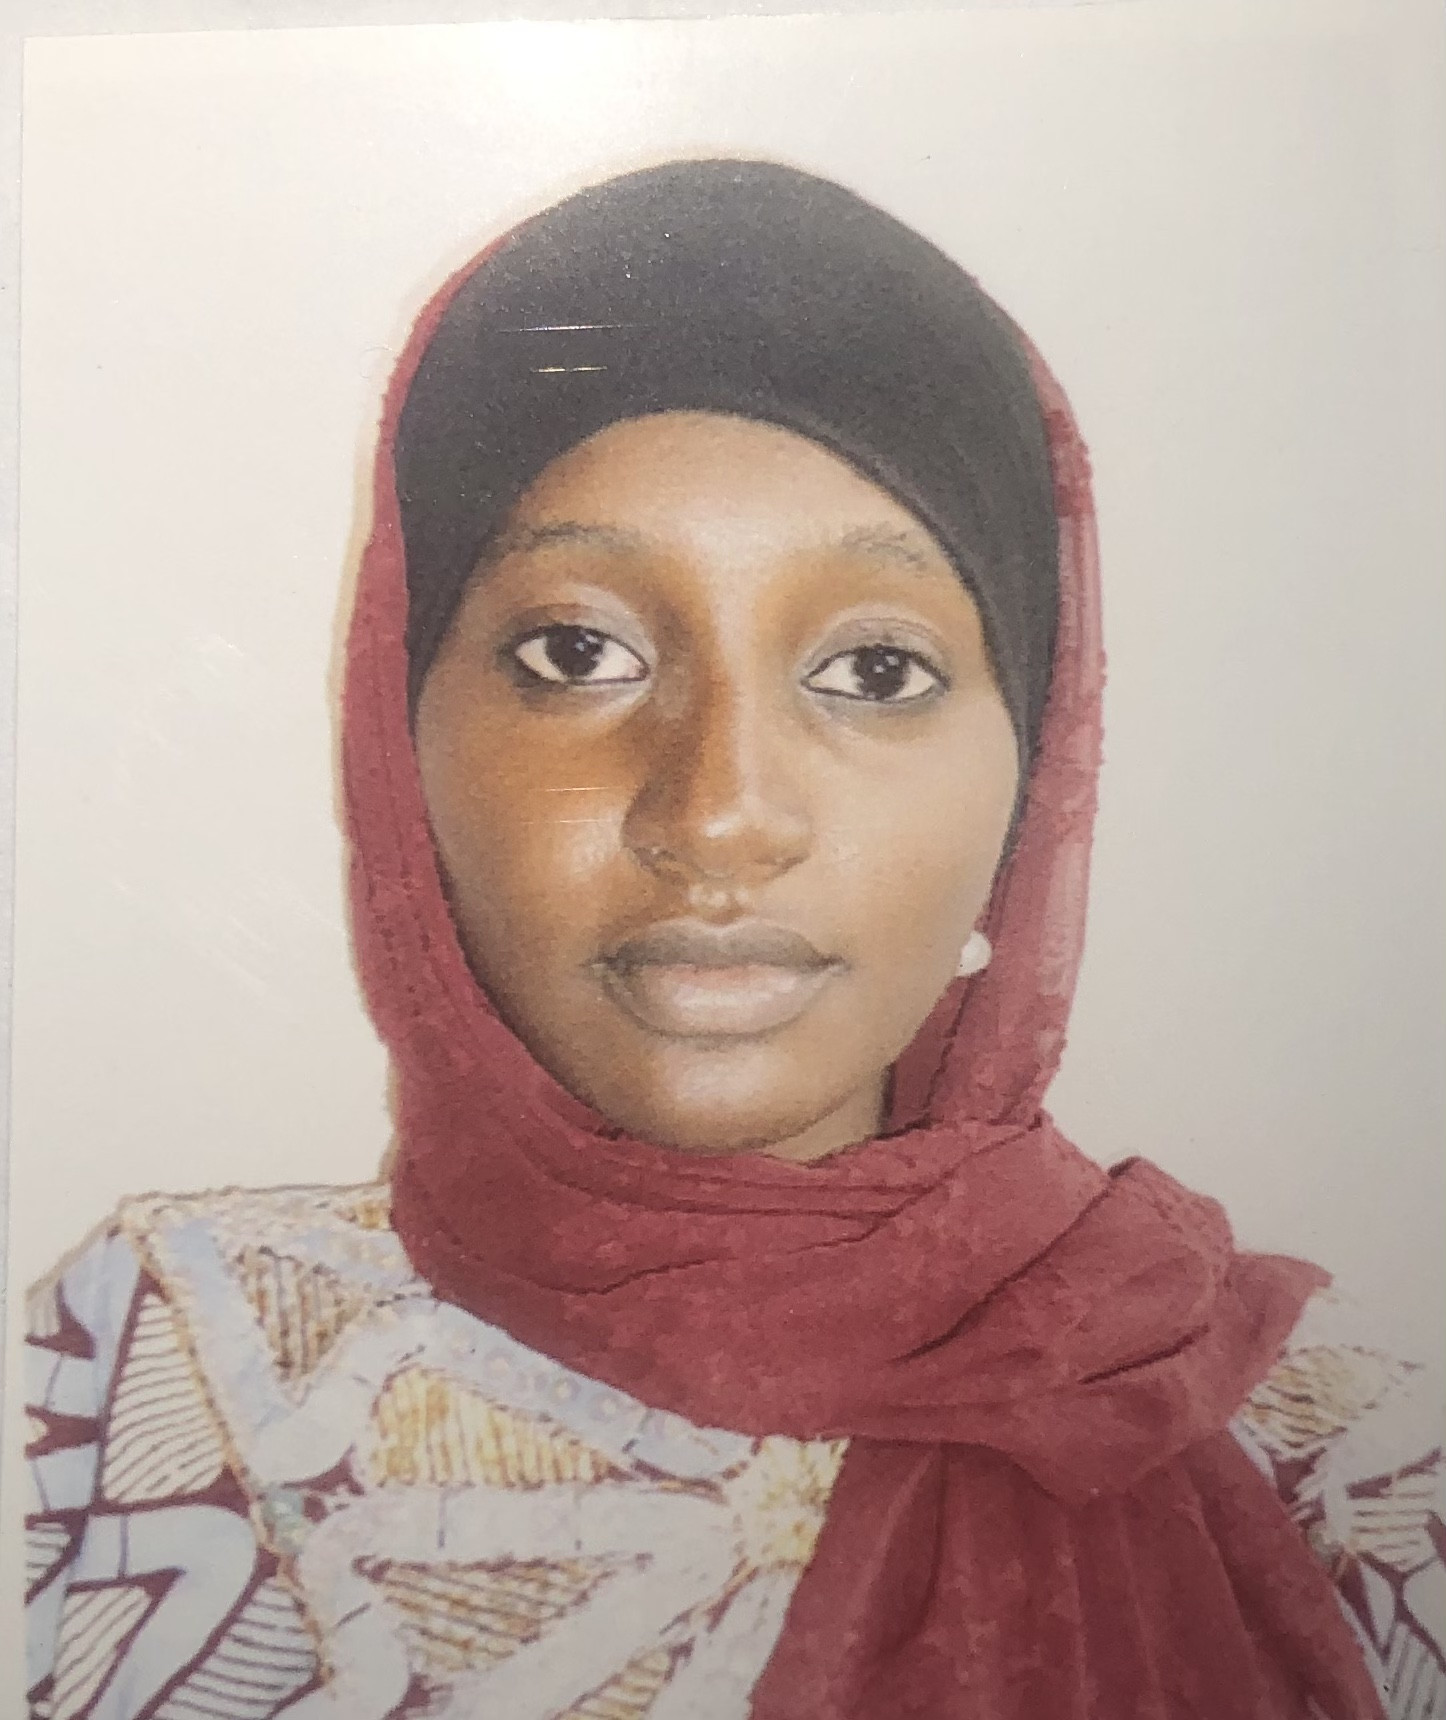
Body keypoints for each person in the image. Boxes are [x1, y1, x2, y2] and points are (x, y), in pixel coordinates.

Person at [23, 160, 1443, 1720]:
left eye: (874, 672)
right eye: (578, 650)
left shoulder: (1349, 1469)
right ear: (397, 736)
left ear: (1030, 789)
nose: (716, 815)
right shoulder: (149, 1373)